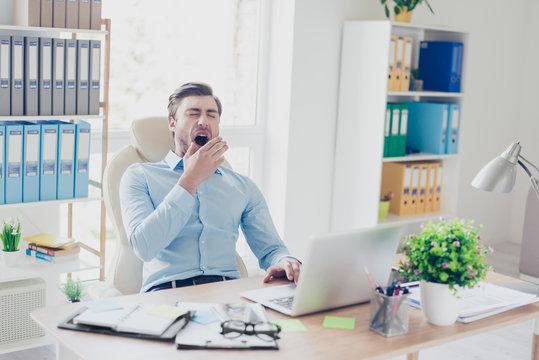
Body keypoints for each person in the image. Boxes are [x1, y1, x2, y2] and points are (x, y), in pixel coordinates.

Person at [120, 82, 301, 292]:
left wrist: (285, 260)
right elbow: (144, 247)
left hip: (227, 293)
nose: (203, 121)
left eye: (212, 115)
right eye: (193, 113)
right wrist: (189, 182)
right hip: (166, 293)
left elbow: (271, 250)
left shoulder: (242, 186)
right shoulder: (139, 176)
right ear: (172, 123)